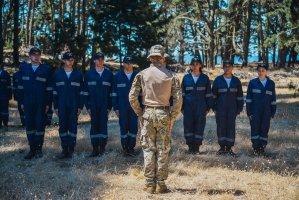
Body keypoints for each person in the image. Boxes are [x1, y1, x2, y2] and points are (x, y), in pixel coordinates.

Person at [129, 45, 182, 194]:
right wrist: (172, 116)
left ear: (151, 58)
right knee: (163, 149)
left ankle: (149, 184)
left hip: (147, 114)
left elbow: (132, 97)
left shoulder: (142, 74)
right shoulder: (172, 76)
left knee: (148, 149)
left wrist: (140, 113)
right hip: (164, 113)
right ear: (163, 58)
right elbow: (178, 100)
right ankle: (160, 184)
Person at [18, 47, 53, 159]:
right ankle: (31, 149)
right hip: (27, 102)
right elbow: (20, 87)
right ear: (30, 56)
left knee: (40, 126)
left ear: (40, 56)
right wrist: (21, 102)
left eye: (38, 54)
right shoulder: (24, 69)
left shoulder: (46, 69)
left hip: (41, 103)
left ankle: (38, 149)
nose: (36, 56)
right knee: (29, 126)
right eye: (34, 54)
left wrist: (48, 103)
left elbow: (49, 88)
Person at [53, 52, 84, 159]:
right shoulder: (57, 75)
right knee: (62, 128)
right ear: (64, 61)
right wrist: (55, 106)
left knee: (73, 128)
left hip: (74, 106)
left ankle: (71, 149)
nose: (70, 62)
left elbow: (81, 93)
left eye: (72, 60)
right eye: (68, 60)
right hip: (62, 106)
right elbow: (55, 92)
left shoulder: (78, 75)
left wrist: (80, 107)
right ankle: (64, 149)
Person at [181, 57, 213, 154]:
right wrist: (181, 108)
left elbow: (208, 94)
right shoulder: (186, 78)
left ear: (200, 65)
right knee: (188, 126)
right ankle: (190, 147)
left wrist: (208, 107)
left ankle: (197, 148)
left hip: (201, 107)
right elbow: (181, 94)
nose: (195, 66)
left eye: (197, 64)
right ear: (190, 66)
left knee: (199, 127)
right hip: (187, 108)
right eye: (193, 64)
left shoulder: (205, 78)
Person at [212, 60, 243, 156]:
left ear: (232, 68)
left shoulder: (236, 81)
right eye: (225, 66)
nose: (227, 68)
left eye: (229, 66)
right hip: (220, 109)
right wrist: (214, 108)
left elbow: (240, 97)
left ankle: (229, 148)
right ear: (223, 68)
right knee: (221, 127)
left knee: (231, 128)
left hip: (232, 109)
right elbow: (213, 96)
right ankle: (222, 148)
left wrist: (239, 109)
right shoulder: (218, 80)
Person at [84, 52, 113, 157]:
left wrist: (109, 107)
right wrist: (88, 107)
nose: (100, 61)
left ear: (103, 61)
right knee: (94, 126)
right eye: (98, 59)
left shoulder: (109, 74)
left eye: (102, 59)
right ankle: (95, 149)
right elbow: (85, 93)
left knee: (103, 127)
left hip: (104, 106)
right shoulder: (89, 74)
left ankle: (102, 148)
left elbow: (111, 93)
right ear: (94, 61)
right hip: (93, 106)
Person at [112, 56, 140, 156]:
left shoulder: (138, 76)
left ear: (133, 64)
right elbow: (114, 93)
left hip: (134, 107)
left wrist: (140, 107)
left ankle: (131, 148)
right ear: (123, 63)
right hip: (122, 106)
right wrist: (115, 108)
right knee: (123, 127)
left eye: (130, 62)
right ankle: (125, 148)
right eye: (126, 62)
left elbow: (141, 93)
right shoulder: (117, 76)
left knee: (133, 127)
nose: (128, 64)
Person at [246, 63, 276, 155]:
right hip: (255, 111)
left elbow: (273, 99)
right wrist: (249, 112)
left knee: (264, 129)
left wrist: (272, 112)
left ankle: (262, 149)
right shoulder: (252, 83)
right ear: (257, 71)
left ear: (266, 72)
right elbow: (248, 99)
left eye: (263, 71)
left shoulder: (271, 83)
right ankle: (256, 149)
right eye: (259, 71)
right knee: (255, 129)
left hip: (266, 111)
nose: (261, 72)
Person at [0, 64, 12, 131]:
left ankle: (5, 125)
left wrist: (9, 96)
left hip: (4, 97)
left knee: (5, 111)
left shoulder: (5, 74)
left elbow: (9, 86)